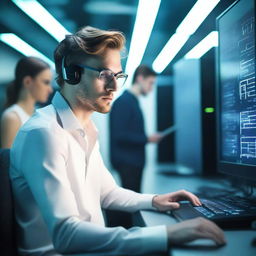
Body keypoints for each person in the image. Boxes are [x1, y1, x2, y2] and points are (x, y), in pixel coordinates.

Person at [9, 26, 226, 255]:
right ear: (73, 74)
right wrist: (168, 233)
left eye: (118, 76)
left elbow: (107, 193)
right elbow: (66, 235)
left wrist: (154, 200)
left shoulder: (86, 129)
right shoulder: (44, 133)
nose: (113, 87)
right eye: (104, 75)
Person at [110, 65, 163, 193]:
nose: (151, 88)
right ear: (140, 79)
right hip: (128, 163)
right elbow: (120, 135)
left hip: (133, 162)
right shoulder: (124, 102)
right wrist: (147, 138)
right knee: (131, 203)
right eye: (150, 83)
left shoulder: (132, 101)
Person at [0, 56, 53, 148]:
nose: (50, 90)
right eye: (46, 82)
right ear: (28, 82)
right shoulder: (12, 117)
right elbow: (9, 161)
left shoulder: (39, 114)